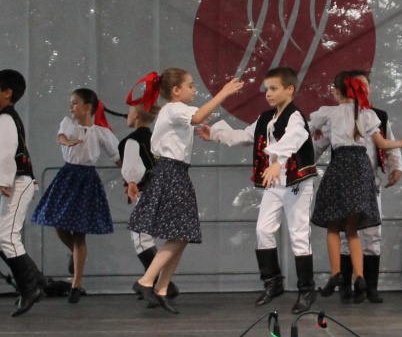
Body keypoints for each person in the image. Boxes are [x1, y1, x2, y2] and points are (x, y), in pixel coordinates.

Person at [198, 67, 318, 314]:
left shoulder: (295, 117)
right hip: (275, 184)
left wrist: (277, 162)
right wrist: (215, 134)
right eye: (267, 89)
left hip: (296, 183)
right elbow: (245, 135)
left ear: (289, 89)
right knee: (263, 230)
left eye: (274, 88)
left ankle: (306, 289)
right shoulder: (266, 118)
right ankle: (273, 283)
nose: (268, 93)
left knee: (298, 235)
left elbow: (294, 139)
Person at [129, 68, 243, 314]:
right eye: (190, 85)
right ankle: (146, 281)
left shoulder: (173, 111)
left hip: (176, 172)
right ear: (176, 90)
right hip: (170, 172)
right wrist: (223, 92)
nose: (194, 89)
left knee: (182, 234)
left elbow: (194, 121)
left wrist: (204, 128)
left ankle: (161, 288)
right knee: (180, 233)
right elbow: (198, 115)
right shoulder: (174, 108)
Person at [310, 71, 402, 304]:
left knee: (368, 232)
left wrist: (395, 166)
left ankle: (368, 286)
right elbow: (319, 145)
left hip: (365, 178)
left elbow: (387, 143)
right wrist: (307, 164)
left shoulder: (376, 115)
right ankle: (348, 284)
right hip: (359, 175)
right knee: (350, 231)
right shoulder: (365, 116)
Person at [31, 88, 121, 304]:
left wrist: (133, 176)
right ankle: (75, 253)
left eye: (75, 103)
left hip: (87, 180)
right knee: (58, 223)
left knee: (80, 233)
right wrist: (67, 142)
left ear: (87, 107)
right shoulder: (68, 124)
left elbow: (118, 157)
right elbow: (61, 137)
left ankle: (76, 284)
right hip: (68, 176)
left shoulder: (101, 133)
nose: (71, 106)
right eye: (71, 103)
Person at [119, 73, 178, 300]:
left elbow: (133, 170)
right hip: (162, 190)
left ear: (136, 115)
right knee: (144, 237)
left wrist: (132, 182)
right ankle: (158, 283)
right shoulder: (155, 138)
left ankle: (161, 285)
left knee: (141, 237)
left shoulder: (132, 140)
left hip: (147, 192)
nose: (128, 114)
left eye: (130, 111)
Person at [0, 69, 44, 316]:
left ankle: (30, 288)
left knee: (7, 237)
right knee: (3, 237)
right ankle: (37, 280)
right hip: (15, 181)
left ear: (7, 93)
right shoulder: (6, 117)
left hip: (16, 182)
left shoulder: (6, 118)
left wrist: (4, 180)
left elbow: (6, 152)